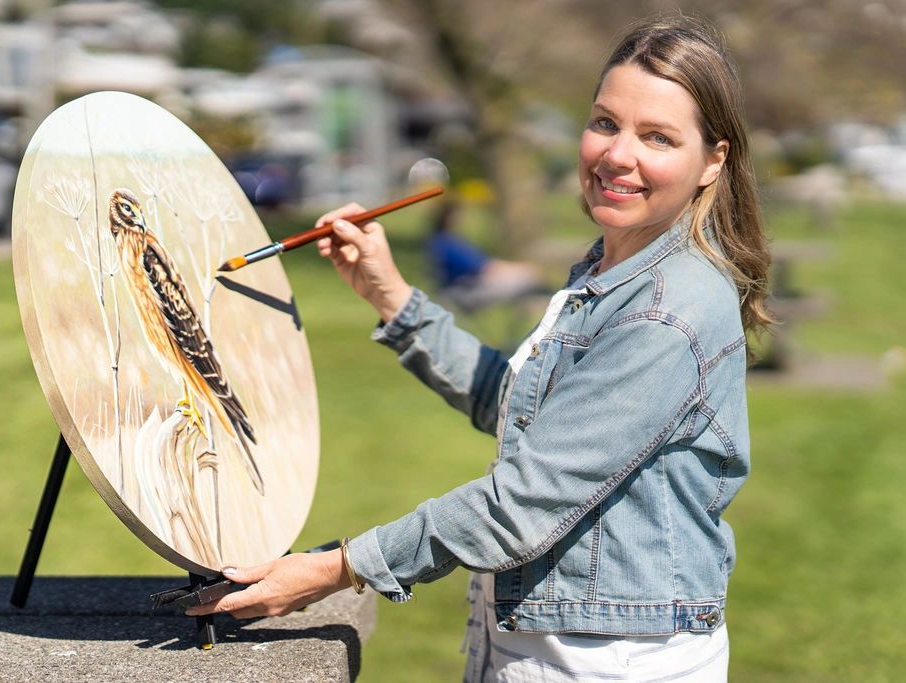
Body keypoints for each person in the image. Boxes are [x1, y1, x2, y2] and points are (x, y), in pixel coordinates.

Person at [189, 15, 771, 681]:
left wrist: (335, 567)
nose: (617, 154)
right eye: (606, 122)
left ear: (713, 159)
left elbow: (525, 502)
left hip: (608, 662)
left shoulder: (670, 309)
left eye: (658, 137)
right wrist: (394, 300)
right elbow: (525, 409)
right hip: (544, 642)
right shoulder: (614, 269)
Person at [426, 200, 545, 312]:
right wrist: (516, 268)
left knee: (527, 278)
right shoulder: (448, 243)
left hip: (465, 287)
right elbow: (483, 267)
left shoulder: (441, 240)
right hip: (465, 292)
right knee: (528, 277)